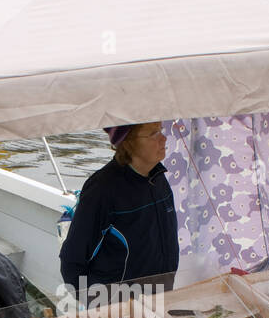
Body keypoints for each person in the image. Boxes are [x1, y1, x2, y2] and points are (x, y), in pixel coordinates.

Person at [59, 122, 179, 291]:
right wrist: (99, 307)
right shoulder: (102, 189)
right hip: (117, 305)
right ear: (128, 142)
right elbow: (72, 261)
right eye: (153, 133)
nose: (164, 138)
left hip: (160, 295)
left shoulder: (158, 177)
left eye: (160, 130)